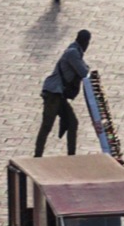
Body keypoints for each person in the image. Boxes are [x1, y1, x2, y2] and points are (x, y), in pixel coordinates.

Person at [35, 29, 92, 158]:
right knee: (47, 125)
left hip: (59, 94)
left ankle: (71, 155)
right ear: (84, 41)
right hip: (53, 94)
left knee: (73, 122)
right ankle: (37, 155)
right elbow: (84, 72)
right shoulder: (73, 53)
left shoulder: (76, 51)